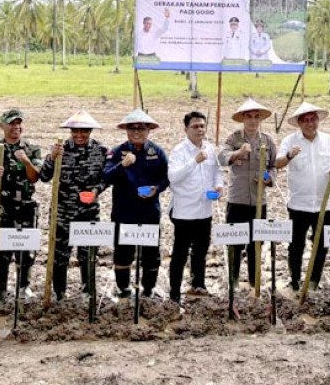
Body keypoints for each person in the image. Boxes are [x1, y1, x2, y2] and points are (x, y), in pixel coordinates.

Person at [40, 110, 108, 302]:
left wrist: (96, 191)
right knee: (60, 254)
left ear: (90, 131)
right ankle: (59, 292)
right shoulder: (60, 149)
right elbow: (44, 177)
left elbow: (106, 178)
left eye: (84, 131)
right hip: (63, 212)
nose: (80, 135)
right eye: (75, 131)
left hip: (88, 211)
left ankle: (88, 292)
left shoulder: (101, 151)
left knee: (88, 254)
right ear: (70, 131)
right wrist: (52, 158)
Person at [0, 109, 42, 304]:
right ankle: (0, 292)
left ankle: (24, 287)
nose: (16, 127)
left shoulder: (31, 148)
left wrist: (26, 161)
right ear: (2, 126)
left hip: (26, 208)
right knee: (1, 252)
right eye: (11, 123)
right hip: (1, 208)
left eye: (18, 123)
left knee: (26, 251)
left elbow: (35, 177)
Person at [103, 109, 169, 299]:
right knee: (123, 252)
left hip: (149, 212)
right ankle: (123, 289)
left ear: (149, 130)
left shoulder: (157, 152)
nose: (136, 133)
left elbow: (167, 177)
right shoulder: (117, 152)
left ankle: (148, 289)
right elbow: (106, 177)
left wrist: (157, 189)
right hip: (124, 212)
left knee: (150, 253)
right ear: (126, 131)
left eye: (141, 129)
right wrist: (122, 165)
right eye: (132, 129)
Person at [275, 102, 330, 292]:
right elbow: (278, 164)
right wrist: (289, 156)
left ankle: (313, 280)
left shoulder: (328, 140)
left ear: (318, 121)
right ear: (299, 123)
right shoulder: (290, 141)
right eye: (306, 121)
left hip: (323, 204)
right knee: (296, 244)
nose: (310, 124)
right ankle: (294, 279)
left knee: (321, 244)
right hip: (298, 203)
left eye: (313, 120)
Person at [218, 98, 277, 289]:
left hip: (259, 201)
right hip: (237, 199)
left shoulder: (267, 140)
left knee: (256, 243)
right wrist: (237, 154)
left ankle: (254, 282)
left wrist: (269, 178)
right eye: (249, 117)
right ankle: (233, 282)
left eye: (256, 117)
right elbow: (222, 157)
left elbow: (273, 165)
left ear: (260, 119)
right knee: (234, 243)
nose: (252, 121)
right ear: (243, 119)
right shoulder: (233, 138)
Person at [167, 111, 224, 302]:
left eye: (202, 126)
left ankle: (198, 284)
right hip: (184, 211)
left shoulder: (210, 148)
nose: (199, 130)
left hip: (204, 209)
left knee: (201, 250)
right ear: (186, 129)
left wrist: (219, 186)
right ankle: (175, 290)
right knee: (180, 252)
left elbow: (217, 171)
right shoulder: (179, 151)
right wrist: (194, 161)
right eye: (195, 126)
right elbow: (173, 177)